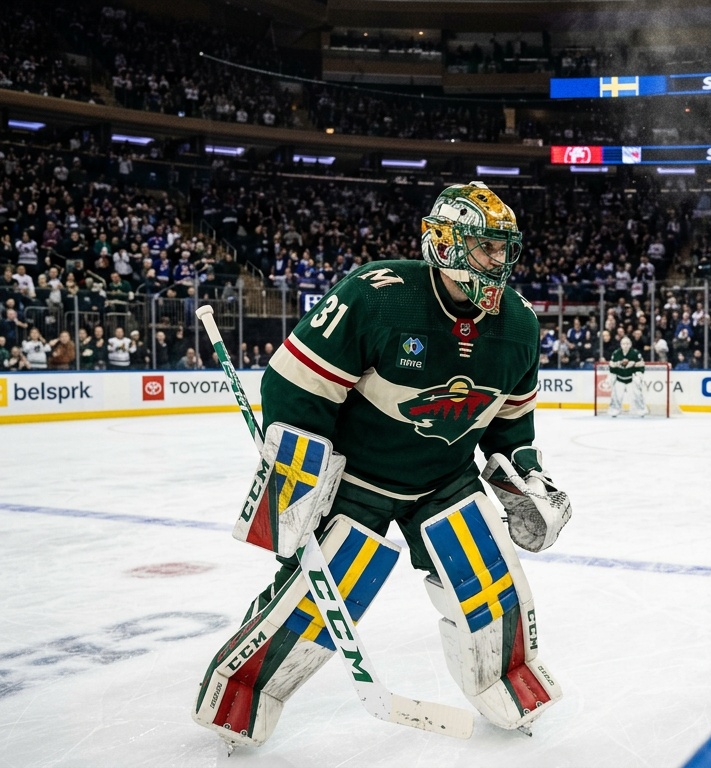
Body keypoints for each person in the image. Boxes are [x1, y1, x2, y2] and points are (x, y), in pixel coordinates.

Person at [193, 182, 570, 749]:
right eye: (487, 247)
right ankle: (241, 689)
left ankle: (504, 678)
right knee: (320, 601)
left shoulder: (518, 323)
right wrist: (297, 473)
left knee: (494, 591)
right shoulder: (377, 296)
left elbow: (510, 422)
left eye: (504, 248)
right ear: (445, 243)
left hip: (445, 479)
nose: (500, 260)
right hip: (358, 480)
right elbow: (297, 384)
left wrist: (525, 478)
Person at [607, 335, 647, 417]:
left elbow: (642, 364)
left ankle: (641, 410)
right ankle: (614, 410)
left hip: (631, 378)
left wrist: (635, 367)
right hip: (619, 378)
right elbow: (611, 365)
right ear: (621, 344)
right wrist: (617, 366)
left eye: (627, 343)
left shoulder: (635, 353)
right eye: (624, 343)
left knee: (637, 395)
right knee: (616, 395)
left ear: (630, 344)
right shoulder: (616, 353)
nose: (625, 345)